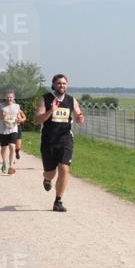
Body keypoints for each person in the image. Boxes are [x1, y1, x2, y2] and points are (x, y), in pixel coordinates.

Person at [35, 73, 85, 212]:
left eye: (64, 83)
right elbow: (38, 120)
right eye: (59, 83)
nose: (61, 85)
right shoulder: (45, 99)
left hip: (65, 139)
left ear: (67, 85)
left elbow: (78, 115)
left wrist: (80, 118)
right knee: (50, 173)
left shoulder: (71, 100)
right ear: (53, 84)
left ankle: (58, 201)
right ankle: (47, 179)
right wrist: (51, 110)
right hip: (48, 140)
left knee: (64, 168)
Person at [0, 90, 26, 175]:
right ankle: (4, 162)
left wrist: (19, 119)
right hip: (2, 130)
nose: (9, 98)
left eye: (11, 97)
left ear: (13, 98)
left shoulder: (17, 106)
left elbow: (19, 117)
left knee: (12, 146)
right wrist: (0, 116)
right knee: (3, 148)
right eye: (7, 97)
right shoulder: (0, 105)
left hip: (13, 129)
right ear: (5, 97)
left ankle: (11, 166)